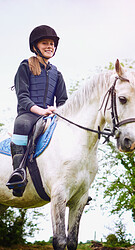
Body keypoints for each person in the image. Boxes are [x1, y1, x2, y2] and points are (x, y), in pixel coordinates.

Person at [6, 25, 68, 196]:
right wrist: (41, 111)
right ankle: (18, 173)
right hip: (29, 114)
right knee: (21, 125)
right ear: (35, 47)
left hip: (50, 115)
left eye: (52, 44)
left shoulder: (57, 73)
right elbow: (23, 97)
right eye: (45, 43)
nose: (50, 46)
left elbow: (63, 101)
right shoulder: (25, 67)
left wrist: (56, 109)